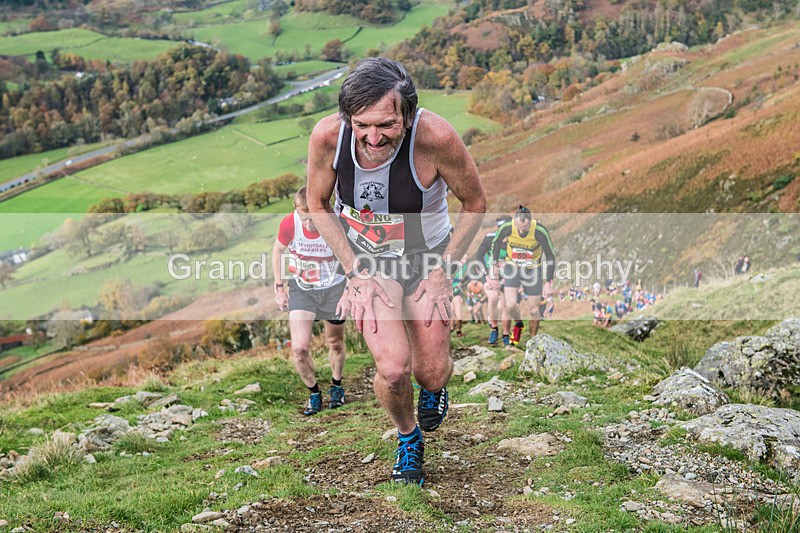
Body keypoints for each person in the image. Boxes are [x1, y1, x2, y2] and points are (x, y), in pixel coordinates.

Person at [305, 57, 486, 486]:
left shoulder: (436, 137)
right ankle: (408, 437)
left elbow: (475, 203)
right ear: (347, 117)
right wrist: (352, 271)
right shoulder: (329, 137)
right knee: (392, 368)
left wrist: (445, 271)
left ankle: (435, 388)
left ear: (407, 112)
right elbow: (317, 204)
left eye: (386, 124)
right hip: (370, 261)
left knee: (431, 372)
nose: (372, 137)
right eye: (361, 124)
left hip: (428, 260)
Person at [272, 187, 348, 416]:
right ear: (296, 210)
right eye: (304, 218)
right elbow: (277, 251)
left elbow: (351, 259)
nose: (309, 224)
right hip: (302, 289)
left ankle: (336, 386)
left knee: (334, 342)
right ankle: (314, 393)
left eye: (314, 218)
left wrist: (348, 291)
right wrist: (279, 287)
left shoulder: (335, 224)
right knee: (299, 348)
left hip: (333, 288)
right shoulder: (289, 224)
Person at [486, 206, 555, 345]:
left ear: (530, 222)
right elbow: (496, 243)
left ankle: (533, 340)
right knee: (510, 305)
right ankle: (518, 324)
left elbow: (550, 256)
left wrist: (548, 282)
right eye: (518, 228)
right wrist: (493, 265)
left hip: (533, 271)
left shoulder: (539, 231)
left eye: (524, 228)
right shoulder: (507, 227)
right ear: (514, 222)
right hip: (513, 268)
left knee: (534, 310)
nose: (521, 231)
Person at [475, 216, 512, 345]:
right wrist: (486, 276)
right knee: (493, 298)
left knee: (506, 305)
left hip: (507, 274)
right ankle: (494, 328)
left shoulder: (515, 240)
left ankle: (506, 334)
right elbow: (478, 256)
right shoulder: (490, 237)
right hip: (490, 273)